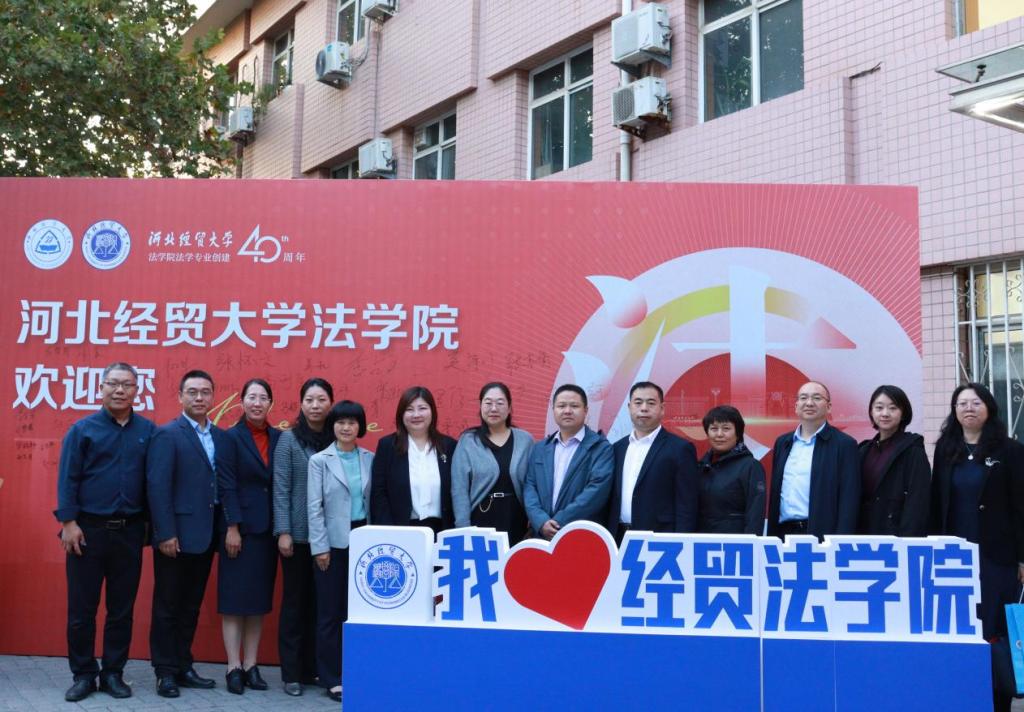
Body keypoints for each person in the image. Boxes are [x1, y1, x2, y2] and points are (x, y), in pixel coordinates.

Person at [54, 363, 155, 702]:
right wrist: (68, 524)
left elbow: (153, 482)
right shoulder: (83, 430)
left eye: (126, 384)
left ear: (137, 390)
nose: (119, 390)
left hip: (129, 533)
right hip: (87, 533)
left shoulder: (147, 431)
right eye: (113, 383)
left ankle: (113, 673)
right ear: (101, 388)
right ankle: (83, 674)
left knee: (121, 610)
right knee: (81, 610)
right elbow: (68, 478)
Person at [930, 383, 1024, 711]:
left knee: (995, 630)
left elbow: (1021, 506)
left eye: (976, 403)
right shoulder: (946, 450)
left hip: (997, 557)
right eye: (962, 404)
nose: (969, 408)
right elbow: (937, 503)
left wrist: (1022, 558)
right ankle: (965, 696)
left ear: (989, 408)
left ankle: (999, 698)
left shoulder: (1010, 450)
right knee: (961, 628)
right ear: (954, 411)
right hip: (955, 557)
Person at [147, 370, 240, 698]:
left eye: (205, 392)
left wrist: (231, 525)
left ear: (213, 396)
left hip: (206, 534)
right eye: (192, 392)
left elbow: (226, 484)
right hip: (175, 537)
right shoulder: (167, 434)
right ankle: (165, 672)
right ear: (180, 396)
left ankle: (183, 666)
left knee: (190, 606)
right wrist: (165, 533)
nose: (199, 397)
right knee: (167, 606)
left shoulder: (222, 437)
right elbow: (158, 487)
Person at [308, 400, 373, 702]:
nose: (346, 428)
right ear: (332, 425)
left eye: (352, 422)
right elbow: (314, 507)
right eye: (340, 422)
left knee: (357, 612)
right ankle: (331, 677)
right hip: (332, 545)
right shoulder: (320, 461)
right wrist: (320, 547)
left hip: (364, 542)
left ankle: (356, 671)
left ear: (361, 426)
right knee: (330, 613)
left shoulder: (370, 458)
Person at [273, 377, 333, 696]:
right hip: (297, 536)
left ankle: (314, 669)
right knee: (295, 604)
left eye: (321, 399)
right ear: (301, 404)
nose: (315, 405)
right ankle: (292, 673)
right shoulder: (289, 439)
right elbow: (281, 489)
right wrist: (283, 531)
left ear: (330, 403)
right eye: (309, 400)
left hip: (330, 538)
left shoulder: (337, 437)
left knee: (321, 605)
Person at [219, 379, 280, 695]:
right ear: (242, 401)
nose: (257, 403)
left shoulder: (279, 437)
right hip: (239, 531)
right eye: (252, 397)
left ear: (270, 403)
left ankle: (251, 665)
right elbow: (226, 485)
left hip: (268, 530)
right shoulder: (230, 437)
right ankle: (233, 666)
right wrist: (232, 527)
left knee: (257, 602)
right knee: (234, 601)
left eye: (263, 398)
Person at [606, 381, 699, 542]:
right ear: (629, 407)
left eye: (651, 403)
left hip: (660, 539)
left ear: (662, 408)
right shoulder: (617, 448)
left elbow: (687, 504)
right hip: (618, 537)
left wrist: (682, 541)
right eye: (638, 402)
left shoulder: (680, 449)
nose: (644, 408)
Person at [766, 381, 859, 538]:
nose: (809, 403)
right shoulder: (783, 443)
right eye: (803, 398)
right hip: (783, 533)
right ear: (796, 406)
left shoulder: (844, 444)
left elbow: (849, 499)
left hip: (821, 535)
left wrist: (841, 540)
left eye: (817, 398)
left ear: (829, 407)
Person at [523, 384, 613, 540]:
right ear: (553, 410)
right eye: (561, 406)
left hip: (580, 535)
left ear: (586, 410)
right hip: (542, 536)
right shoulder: (540, 448)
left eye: (574, 406)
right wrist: (541, 521)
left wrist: (559, 522)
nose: (567, 411)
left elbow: (596, 492)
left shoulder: (600, 448)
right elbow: (530, 486)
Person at [452, 382, 534, 545]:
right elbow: (459, 488)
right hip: (481, 518)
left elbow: (533, 483)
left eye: (500, 403)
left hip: (516, 518)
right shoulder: (468, 441)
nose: (494, 408)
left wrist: (534, 521)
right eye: (488, 403)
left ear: (509, 408)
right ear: (480, 406)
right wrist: (463, 527)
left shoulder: (525, 440)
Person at [371, 386, 457, 535]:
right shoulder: (387, 446)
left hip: (443, 531)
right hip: (400, 530)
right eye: (409, 409)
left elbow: (458, 492)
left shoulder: (449, 446)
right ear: (401, 414)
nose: (416, 415)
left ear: (432, 411)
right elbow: (379, 493)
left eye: (422, 408)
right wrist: (387, 532)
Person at [857, 384, 930, 536]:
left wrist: (907, 540)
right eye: (879, 408)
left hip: (896, 536)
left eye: (893, 408)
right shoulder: (863, 450)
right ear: (871, 412)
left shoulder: (913, 450)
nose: (885, 413)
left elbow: (917, 500)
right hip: (864, 535)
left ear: (903, 413)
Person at [697, 405, 766, 535]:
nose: (719, 434)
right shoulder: (700, 467)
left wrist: (750, 544)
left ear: (738, 433)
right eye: (714, 429)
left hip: (735, 543)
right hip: (702, 542)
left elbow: (755, 515)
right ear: (707, 433)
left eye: (726, 428)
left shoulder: (750, 466)